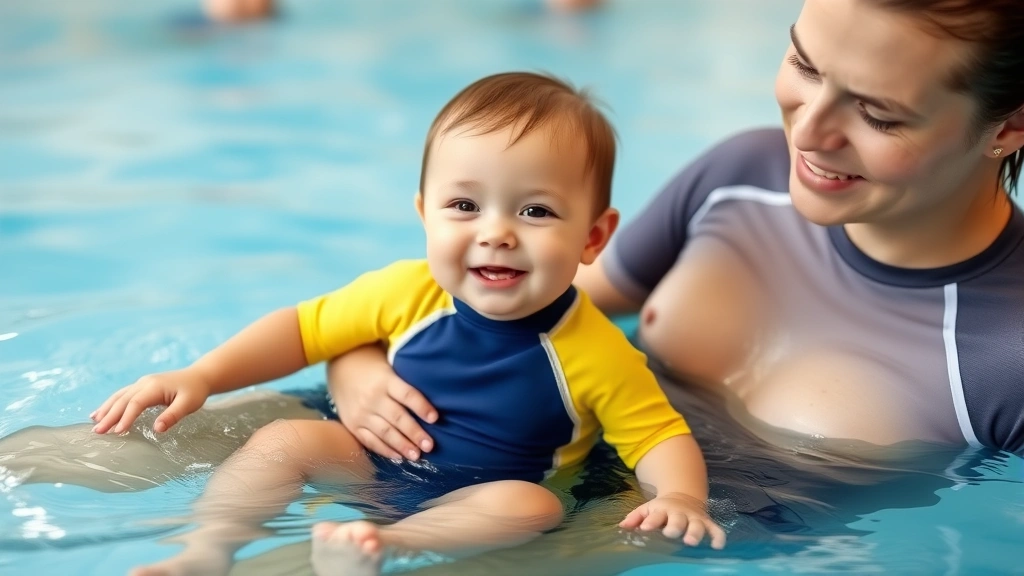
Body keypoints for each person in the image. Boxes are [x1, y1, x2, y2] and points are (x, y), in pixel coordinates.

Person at [324, 0, 1024, 465]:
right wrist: (352, 366)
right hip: (477, 439)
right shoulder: (741, 172)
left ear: (1010, 126)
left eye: (878, 114)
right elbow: (507, 305)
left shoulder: (1008, 356)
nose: (807, 132)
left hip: (612, 543)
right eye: (805, 66)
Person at [88, 72, 726, 576]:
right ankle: (207, 549)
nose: (495, 233)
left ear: (593, 237)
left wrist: (682, 500)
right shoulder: (405, 291)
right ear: (426, 214)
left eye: (534, 210)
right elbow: (303, 330)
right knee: (290, 438)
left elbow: (659, 439)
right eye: (464, 205)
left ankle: (378, 545)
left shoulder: (597, 352)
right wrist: (202, 376)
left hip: (474, 503)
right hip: (366, 464)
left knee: (532, 504)